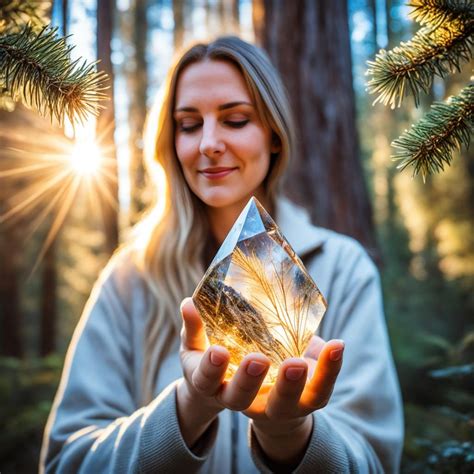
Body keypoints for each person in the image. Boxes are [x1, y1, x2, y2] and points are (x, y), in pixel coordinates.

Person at [40, 36, 403, 473]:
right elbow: (66, 462)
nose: (209, 143)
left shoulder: (343, 268)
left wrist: (291, 435)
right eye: (189, 125)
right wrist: (187, 407)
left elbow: (376, 461)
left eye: (234, 119)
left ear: (273, 134)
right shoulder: (129, 277)